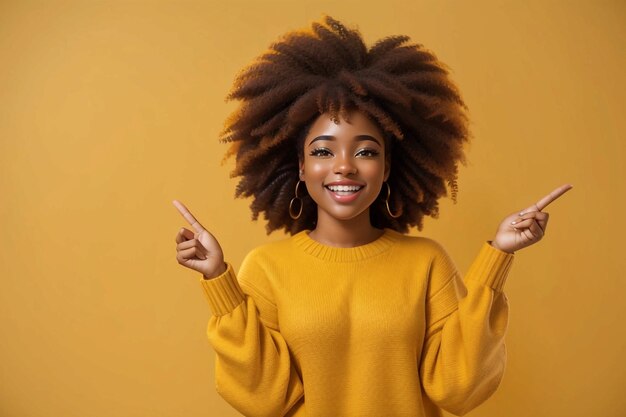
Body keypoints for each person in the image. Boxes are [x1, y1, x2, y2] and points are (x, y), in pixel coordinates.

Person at [173, 15, 572, 417]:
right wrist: (217, 277)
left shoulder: (426, 262)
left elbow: (457, 389)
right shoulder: (266, 268)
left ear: (386, 167)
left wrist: (498, 257)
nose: (344, 166)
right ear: (299, 166)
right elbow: (264, 399)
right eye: (323, 151)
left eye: (365, 151)